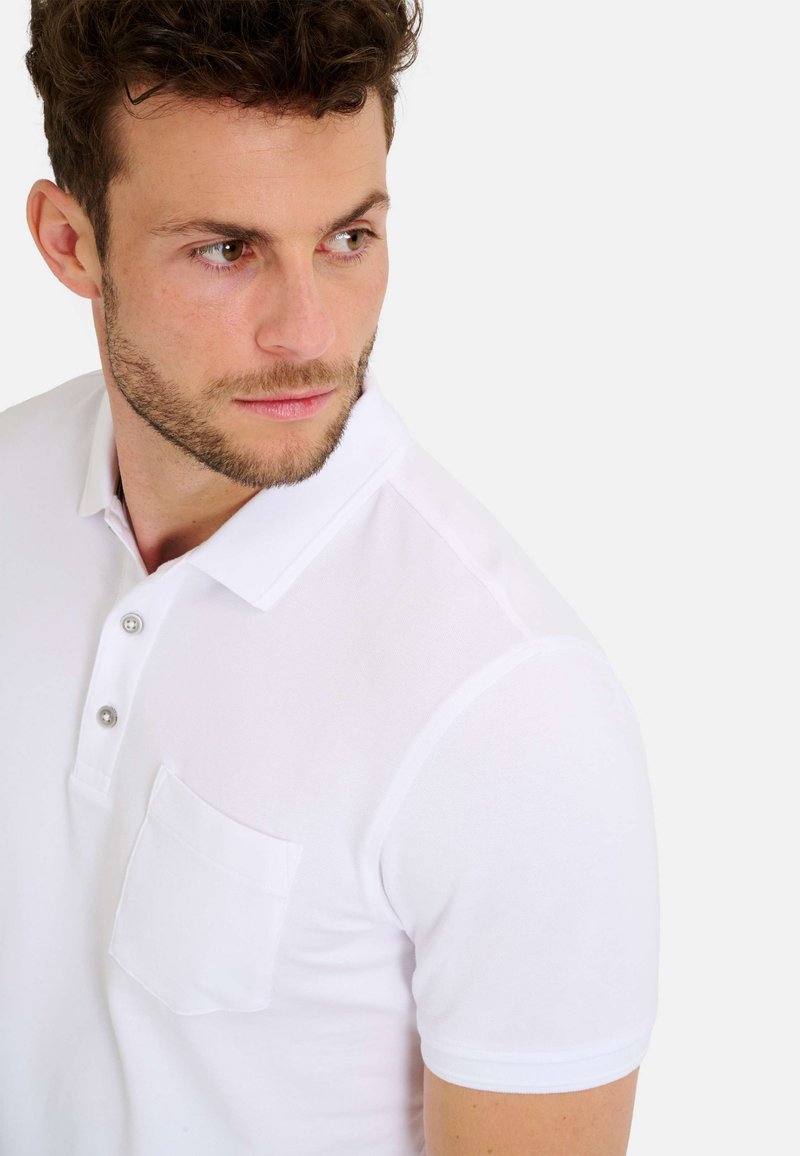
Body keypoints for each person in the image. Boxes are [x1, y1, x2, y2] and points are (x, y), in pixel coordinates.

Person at [0, 2, 659, 1153]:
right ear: (70, 243)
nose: (307, 333)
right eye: (226, 250)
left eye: (348, 238)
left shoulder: (514, 707)